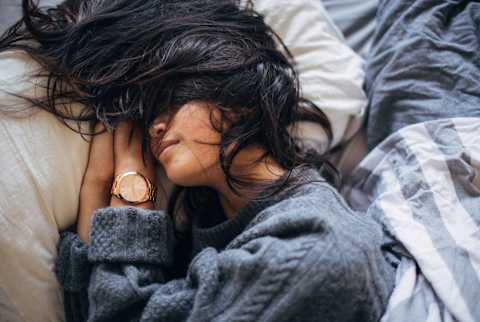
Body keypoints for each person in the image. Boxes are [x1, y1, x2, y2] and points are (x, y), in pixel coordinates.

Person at [0, 0, 395, 321]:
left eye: (171, 99)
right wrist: (98, 185)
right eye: (149, 113)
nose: (154, 126)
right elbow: (92, 309)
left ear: (240, 84)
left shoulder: (312, 252)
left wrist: (130, 202)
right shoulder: (211, 219)